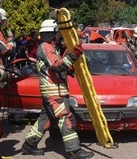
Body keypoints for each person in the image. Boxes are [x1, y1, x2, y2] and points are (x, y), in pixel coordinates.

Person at [21, 19, 94, 158]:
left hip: (52, 93)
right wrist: (74, 55)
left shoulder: (49, 47)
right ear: (53, 33)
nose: (60, 35)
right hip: (54, 93)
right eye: (58, 32)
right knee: (66, 119)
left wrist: (69, 69)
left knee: (45, 120)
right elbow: (57, 66)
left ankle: (29, 145)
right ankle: (75, 151)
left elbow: (57, 69)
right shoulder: (46, 47)